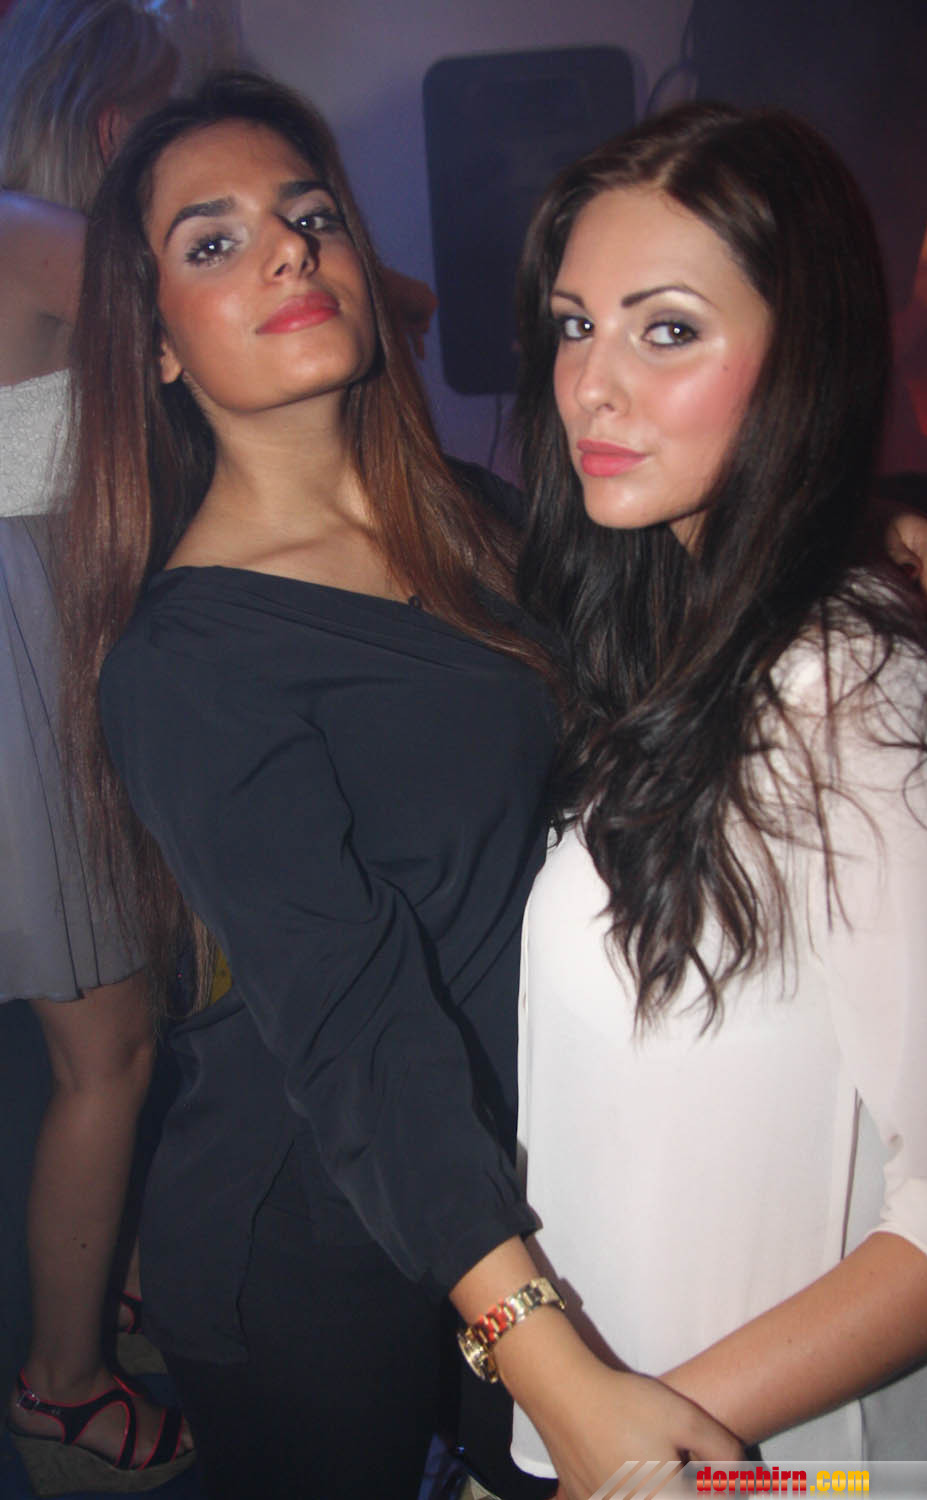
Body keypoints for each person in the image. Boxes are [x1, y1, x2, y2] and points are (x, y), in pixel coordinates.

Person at [57, 70, 755, 1500]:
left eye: (308, 215)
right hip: (313, 1236)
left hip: (518, 1170)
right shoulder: (184, 661)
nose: (286, 250)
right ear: (157, 345)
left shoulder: (481, 523)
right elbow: (352, 1018)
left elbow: (672, 659)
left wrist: (844, 546)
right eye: (214, 240)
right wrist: (549, 1362)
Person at [509, 101, 927, 1484]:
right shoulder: (651, 635)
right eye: (574, 325)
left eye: (667, 329)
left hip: (758, 1455)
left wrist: (635, 1439)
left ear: (803, 361)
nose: (591, 386)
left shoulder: (851, 695)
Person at [0, 0, 195, 1491]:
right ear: (115, 119)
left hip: (50, 650)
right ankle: (61, 1392)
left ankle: (110, 1291)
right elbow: (256, 305)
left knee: (114, 1035)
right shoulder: (36, 236)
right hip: (19, 665)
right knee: (107, 1047)